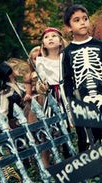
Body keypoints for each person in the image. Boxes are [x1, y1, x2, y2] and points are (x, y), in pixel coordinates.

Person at [62, 4, 102, 151]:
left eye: (85, 19)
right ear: (69, 27)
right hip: (81, 100)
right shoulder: (67, 52)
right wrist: (71, 106)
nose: (82, 22)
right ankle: (91, 170)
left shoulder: (101, 46)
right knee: (86, 139)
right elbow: (66, 81)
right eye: (76, 20)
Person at [35, 27, 72, 166]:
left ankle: (74, 155)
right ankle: (58, 160)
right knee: (54, 128)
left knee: (70, 125)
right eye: (46, 37)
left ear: (61, 41)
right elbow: (40, 84)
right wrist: (42, 87)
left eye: (54, 36)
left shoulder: (67, 57)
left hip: (67, 94)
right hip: (52, 96)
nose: (50, 38)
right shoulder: (41, 61)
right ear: (43, 44)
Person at [0, 60, 25, 129]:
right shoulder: (6, 92)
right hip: (17, 123)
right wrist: (7, 128)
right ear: (9, 72)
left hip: (28, 117)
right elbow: (3, 112)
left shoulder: (20, 85)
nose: (18, 69)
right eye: (14, 68)